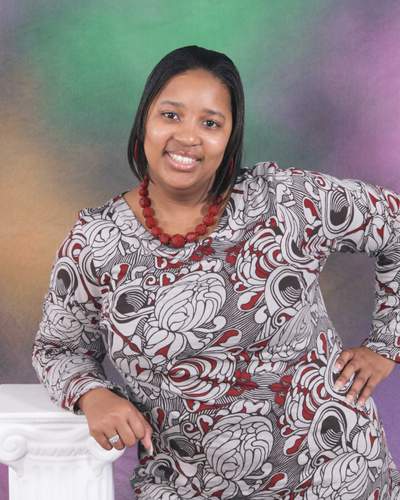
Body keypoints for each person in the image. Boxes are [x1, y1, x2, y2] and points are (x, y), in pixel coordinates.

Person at [32, 45, 400, 499]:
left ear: (230, 137)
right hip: (186, 486)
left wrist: (387, 343)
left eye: (210, 123)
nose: (187, 136)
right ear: (144, 121)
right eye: (171, 115)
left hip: (337, 479)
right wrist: (92, 394)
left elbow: (395, 224)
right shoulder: (97, 242)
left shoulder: (286, 202)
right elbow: (59, 349)